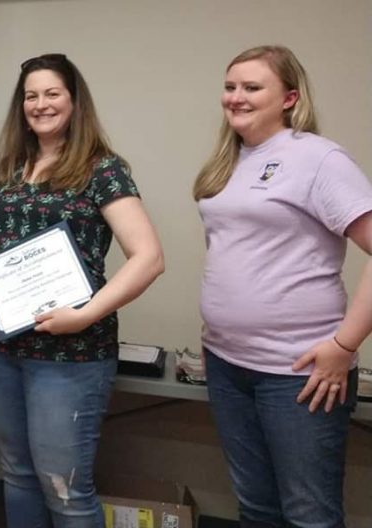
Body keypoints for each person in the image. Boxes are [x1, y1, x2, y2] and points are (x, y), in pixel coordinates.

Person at [0, 53, 163, 526]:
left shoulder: (102, 169)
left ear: (73, 100)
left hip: (71, 353)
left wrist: (84, 315)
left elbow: (148, 257)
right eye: (31, 96)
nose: (40, 104)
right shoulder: (13, 167)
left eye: (52, 93)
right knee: (18, 475)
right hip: (2, 347)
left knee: (64, 489)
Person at [194, 45, 372, 527]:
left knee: (308, 514)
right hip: (228, 363)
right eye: (230, 86)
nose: (236, 97)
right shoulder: (228, 161)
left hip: (298, 372)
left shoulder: (317, 158)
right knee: (255, 507)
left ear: (290, 97)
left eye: (252, 87)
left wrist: (344, 344)